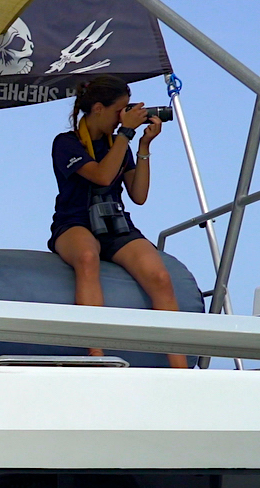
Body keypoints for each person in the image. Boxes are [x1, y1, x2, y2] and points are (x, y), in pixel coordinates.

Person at [50, 75, 188, 368]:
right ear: (98, 108)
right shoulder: (66, 143)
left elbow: (138, 195)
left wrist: (144, 147)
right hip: (74, 221)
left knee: (160, 277)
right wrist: (125, 133)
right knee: (88, 257)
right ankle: (96, 354)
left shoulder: (119, 144)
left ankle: (180, 366)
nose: (123, 118)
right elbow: (101, 175)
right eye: (120, 111)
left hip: (115, 223)